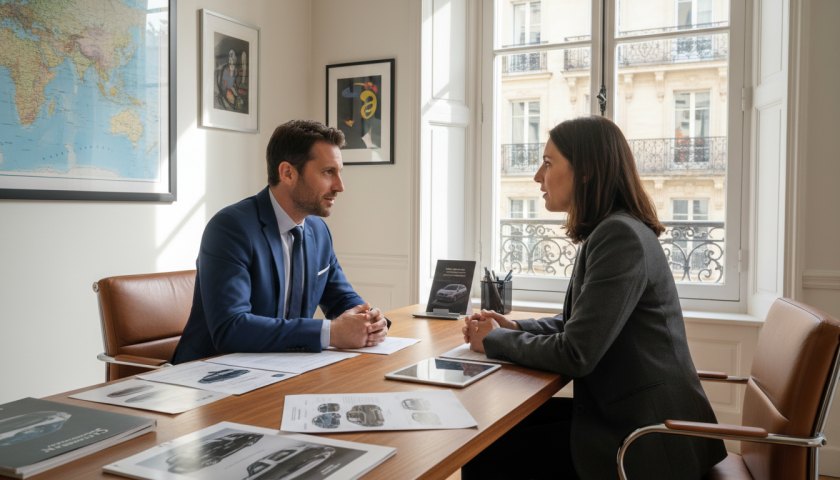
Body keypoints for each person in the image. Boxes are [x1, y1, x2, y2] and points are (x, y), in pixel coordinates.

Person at [460, 116, 726, 479]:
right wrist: (514, 326)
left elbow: (577, 353)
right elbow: (578, 326)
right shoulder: (615, 230)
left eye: (549, 163)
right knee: (493, 432)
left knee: (485, 452)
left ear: (585, 171)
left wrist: (495, 339)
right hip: (629, 414)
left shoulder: (620, 236)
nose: (538, 176)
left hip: (647, 440)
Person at [172, 120, 389, 364]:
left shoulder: (318, 230)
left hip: (285, 366)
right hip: (213, 371)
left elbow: (340, 298)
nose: (340, 186)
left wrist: (371, 321)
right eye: (328, 172)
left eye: (339, 172)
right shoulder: (231, 228)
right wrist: (330, 332)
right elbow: (231, 328)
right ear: (287, 173)